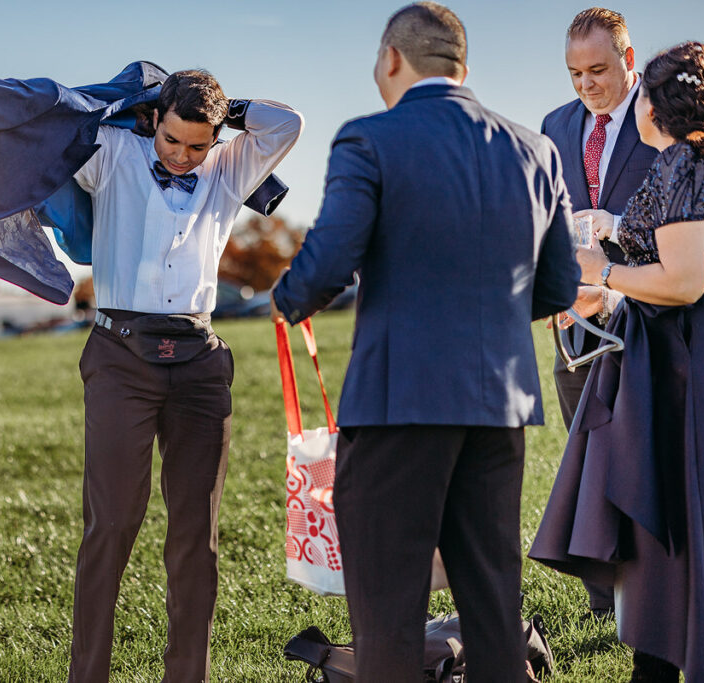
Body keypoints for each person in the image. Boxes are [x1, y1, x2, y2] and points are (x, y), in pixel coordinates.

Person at [270, 3, 579, 681]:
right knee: (493, 601)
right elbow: (559, 286)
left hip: (397, 405)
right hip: (498, 407)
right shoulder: (536, 148)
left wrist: (287, 298)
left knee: (387, 609)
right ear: (462, 67)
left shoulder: (370, 139)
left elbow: (325, 265)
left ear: (391, 60)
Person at [68, 70, 302, 682]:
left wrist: (228, 111)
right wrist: (138, 102)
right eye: (172, 140)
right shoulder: (115, 153)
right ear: (154, 123)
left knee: (195, 537)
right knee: (113, 523)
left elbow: (288, 124)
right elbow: (58, 133)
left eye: (198, 144)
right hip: (120, 357)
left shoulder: (226, 170)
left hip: (199, 365)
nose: (183, 155)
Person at [530, 42, 704, 683]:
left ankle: (661, 659)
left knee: (678, 513)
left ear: (653, 103)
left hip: (682, 367)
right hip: (658, 357)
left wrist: (601, 269)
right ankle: (658, 658)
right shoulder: (682, 160)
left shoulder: (684, 160)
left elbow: (687, 281)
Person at [540, 9, 660, 618]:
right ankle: (602, 596)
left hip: (653, 316)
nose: (585, 84)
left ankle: (654, 592)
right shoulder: (554, 126)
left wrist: (622, 233)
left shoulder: (665, 119)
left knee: (646, 461)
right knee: (584, 459)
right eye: (574, 73)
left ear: (628, 58)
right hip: (576, 322)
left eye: (597, 70)